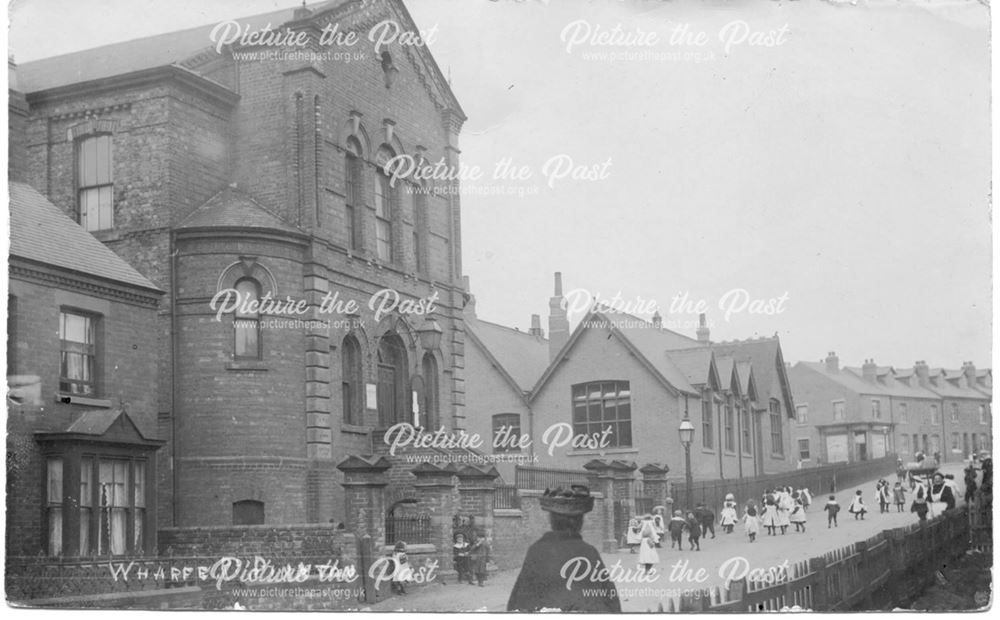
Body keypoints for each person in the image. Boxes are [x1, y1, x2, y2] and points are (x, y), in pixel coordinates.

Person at [507, 485, 620, 612]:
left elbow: (519, 602)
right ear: (580, 522)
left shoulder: (536, 551)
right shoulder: (589, 553)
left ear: (552, 521)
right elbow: (611, 602)